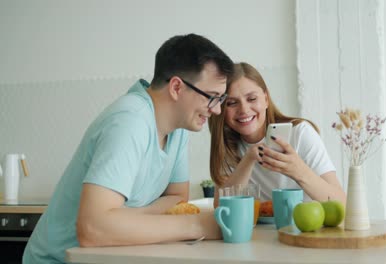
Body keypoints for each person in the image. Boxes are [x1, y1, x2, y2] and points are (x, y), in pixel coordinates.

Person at [23, 33, 234, 263]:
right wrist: (197, 224)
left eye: (220, 99)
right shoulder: (130, 119)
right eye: (212, 97)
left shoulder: (180, 128)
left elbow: (177, 199)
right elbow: (93, 228)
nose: (216, 111)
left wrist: (123, 219)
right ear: (176, 87)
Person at [209, 62, 346, 206]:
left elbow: (341, 204)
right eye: (231, 103)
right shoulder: (228, 147)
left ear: (266, 99)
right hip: (264, 229)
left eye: (252, 99)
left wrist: (298, 171)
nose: (243, 109)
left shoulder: (300, 133)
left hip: (311, 226)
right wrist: (248, 160)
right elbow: (221, 208)